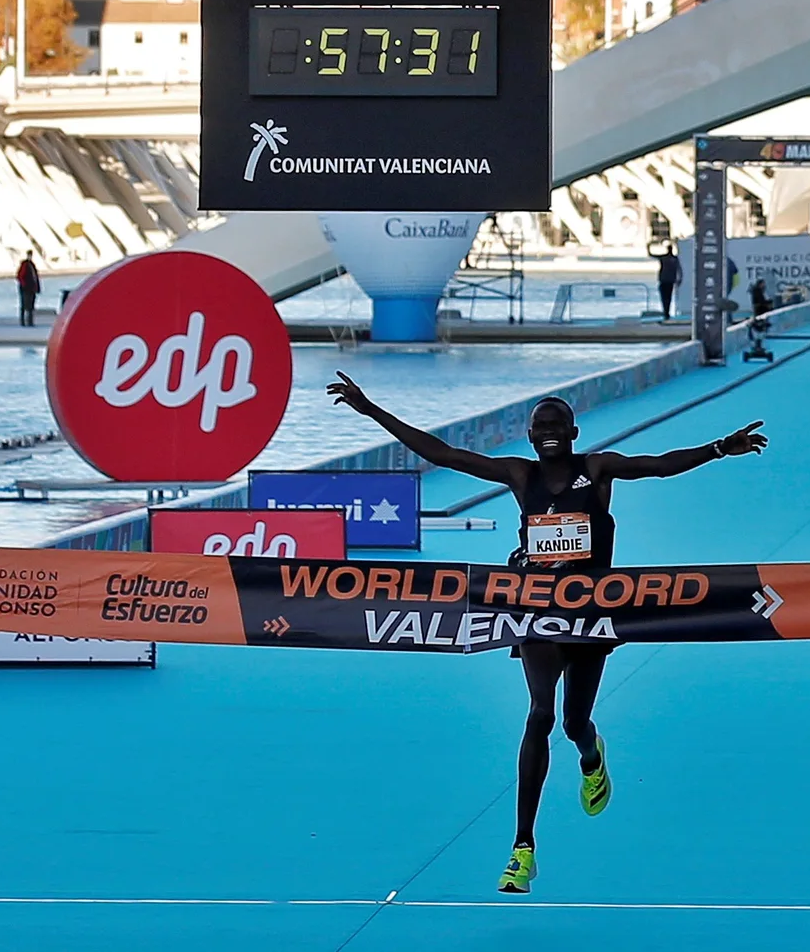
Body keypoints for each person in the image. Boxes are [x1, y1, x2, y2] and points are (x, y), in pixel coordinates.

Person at [325, 375, 767, 895]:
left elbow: (657, 465)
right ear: (530, 436)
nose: (549, 432)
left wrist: (718, 448)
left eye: (557, 424)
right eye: (540, 427)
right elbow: (443, 454)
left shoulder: (596, 470)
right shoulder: (519, 474)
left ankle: (591, 753)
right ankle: (522, 847)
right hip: (537, 613)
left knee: (575, 721)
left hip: (594, 616)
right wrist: (371, 408)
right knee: (541, 712)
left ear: (574, 431)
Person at [654, 245, 682, 322]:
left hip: (664, 280)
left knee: (664, 298)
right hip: (670, 280)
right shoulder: (674, 259)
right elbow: (679, 269)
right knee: (668, 298)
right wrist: (679, 279)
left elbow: (651, 255)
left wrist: (648, 246)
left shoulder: (664, 258)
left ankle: (666, 312)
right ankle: (666, 312)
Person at [16, 252, 41, 327]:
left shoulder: (31, 265)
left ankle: (29, 321)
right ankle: (24, 322)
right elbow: (20, 277)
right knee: (25, 305)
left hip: (31, 288)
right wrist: (24, 285)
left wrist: (37, 287)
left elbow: (35, 278)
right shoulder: (25, 265)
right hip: (26, 288)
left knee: (30, 305)